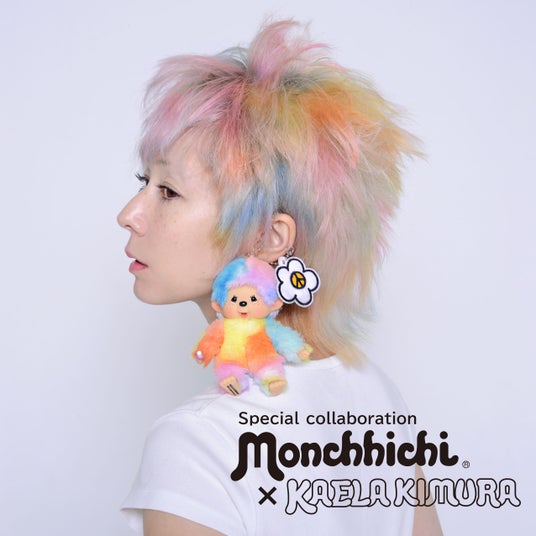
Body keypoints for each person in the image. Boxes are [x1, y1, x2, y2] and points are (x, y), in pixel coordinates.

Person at [118, 19, 442, 535]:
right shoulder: (378, 398)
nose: (129, 214)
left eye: (168, 191)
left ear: (270, 237)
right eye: (144, 180)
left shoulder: (197, 446)